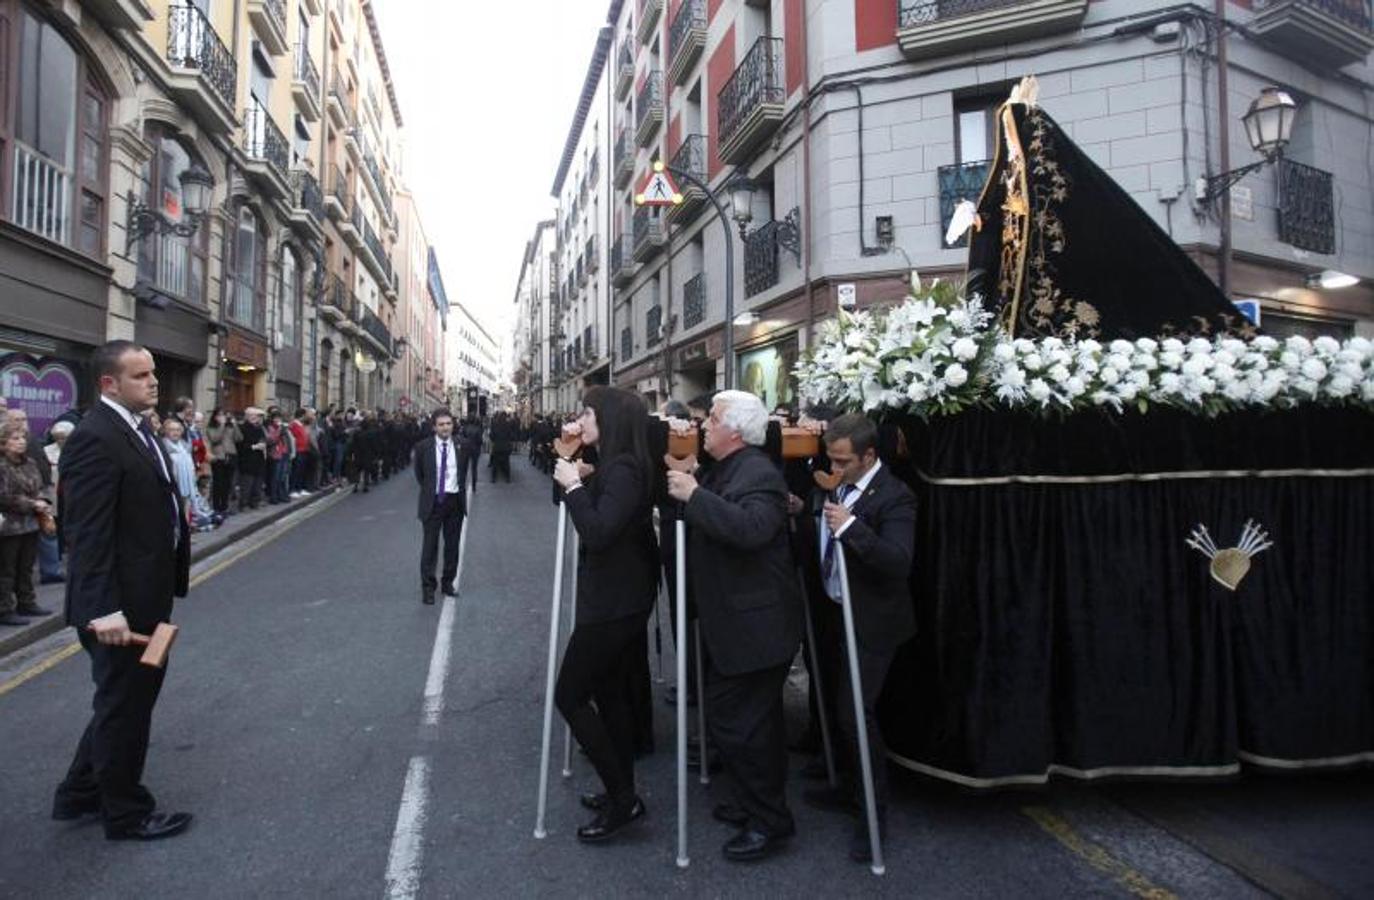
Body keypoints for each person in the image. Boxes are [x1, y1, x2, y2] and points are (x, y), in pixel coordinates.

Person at [53, 340, 192, 841]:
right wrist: (103, 609)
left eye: (153, 373)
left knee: (122, 701)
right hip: (118, 607)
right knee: (124, 708)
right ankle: (126, 813)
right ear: (108, 384)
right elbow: (85, 533)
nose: (154, 382)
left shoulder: (134, 427)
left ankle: (78, 793)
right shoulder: (95, 438)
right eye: (140, 376)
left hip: (146, 595)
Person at [666, 390, 801, 862]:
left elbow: (750, 529)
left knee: (746, 726)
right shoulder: (729, 468)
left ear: (737, 430)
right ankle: (756, 805)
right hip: (738, 623)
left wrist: (696, 496)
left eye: (713, 419)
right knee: (745, 723)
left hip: (757, 626)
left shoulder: (760, 475)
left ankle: (771, 821)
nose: (703, 426)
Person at [802, 412, 916, 863]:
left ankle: (873, 814)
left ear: (869, 456)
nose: (836, 467)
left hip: (872, 621)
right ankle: (850, 788)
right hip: (834, 610)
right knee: (835, 705)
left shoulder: (895, 496)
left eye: (844, 461)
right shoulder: (836, 483)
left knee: (855, 714)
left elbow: (896, 561)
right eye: (830, 458)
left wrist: (850, 528)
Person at [551, 387, 658, 842]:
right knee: (609, 695)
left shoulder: (625, 470)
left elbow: (597, 531)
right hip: (615, 597)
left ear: (609, 419)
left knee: (570, 695)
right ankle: (622, 791)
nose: (582, 418)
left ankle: (623, 798)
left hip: (616, 603)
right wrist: (573, 467)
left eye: (589, 412)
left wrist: (575, 485)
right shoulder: (613, 466)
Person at [0, 420, 53, 625]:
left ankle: (27, 602)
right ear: (3, 443)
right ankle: (5, 608)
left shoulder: (30, 463)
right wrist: (33, 504)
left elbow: (39, 486)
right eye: (15, 439)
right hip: (9, 526)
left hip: (30, 523)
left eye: (22, 438)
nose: (21, 442)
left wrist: (43, 502)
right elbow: (4, 496)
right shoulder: (2, 466)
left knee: (26, 566)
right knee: (7, 569)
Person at [413, 409, 465, 604]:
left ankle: (447, 583)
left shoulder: (462, 445)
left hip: (454, 502)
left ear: (453, 425)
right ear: (434, 427)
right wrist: (432, 491)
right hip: (433, 502)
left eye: (448, 424)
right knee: (430, 547)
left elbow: (463, 471)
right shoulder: (422, 447)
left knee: (452, 547)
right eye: (441, 424)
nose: (445, 428)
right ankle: (428, 588)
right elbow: (420, 475)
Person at [205, 408, 241, 515]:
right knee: (218, 483)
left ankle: (224, 506)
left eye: (224, 415)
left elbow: (239, 438)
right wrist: (221, 426)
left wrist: (235, 425)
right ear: (215, 417)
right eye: (220, 415)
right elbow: (215, 439)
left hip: (231, 456)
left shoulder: (230, 427)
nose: (223, 417)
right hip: (218, 457)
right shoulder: (211, 428)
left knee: (227, 484)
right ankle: (216, 506)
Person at [236, 408, 267, 510]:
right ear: (246, 416)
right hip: (247, 460)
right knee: (247, 484)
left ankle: (255, 502)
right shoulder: (242, 428)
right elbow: (240, 445)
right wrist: (254, 446)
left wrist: (263, 444)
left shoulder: (259, 428)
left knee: (257, 484)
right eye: (252, 415)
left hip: (259, 459)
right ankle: (244, 504)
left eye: (256, 416)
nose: (254, 418)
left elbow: (264, 439)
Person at [457, 416, 483, 492]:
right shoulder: (478, 429)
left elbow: (460, 438)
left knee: (464, 468)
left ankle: (462, 484)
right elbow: (480, 441)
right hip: (475, 450)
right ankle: (474, 486)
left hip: (465, 449)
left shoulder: (465, 428)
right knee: (474, 468)